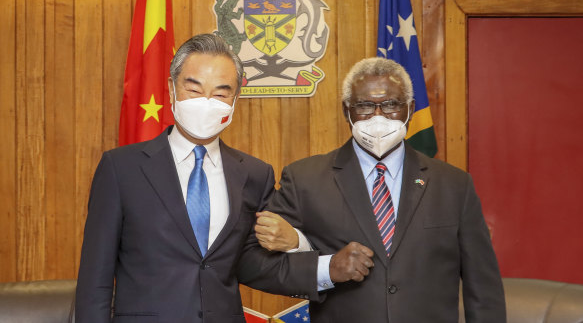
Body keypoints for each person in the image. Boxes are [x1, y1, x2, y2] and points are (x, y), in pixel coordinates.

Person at [75, 34, 318, 323]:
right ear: (171, 89)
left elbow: (254, 264)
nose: (206, 102)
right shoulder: (120, 168)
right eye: (193, 89)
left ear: (235, 99)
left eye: (220, 93)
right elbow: (95, 278)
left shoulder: (254, 174)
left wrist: (297, 243)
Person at [254, 57, 507, 322]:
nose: (378, 117)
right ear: (346, 111)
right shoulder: (305, 179)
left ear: (409, 109)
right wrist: (326, 269)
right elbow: (257, 265)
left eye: (390, 105)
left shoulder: (454, 185)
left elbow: (483, 288)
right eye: (363, 106)